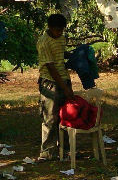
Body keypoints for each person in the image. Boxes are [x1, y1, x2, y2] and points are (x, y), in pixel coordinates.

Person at [37, 13, 73, 161]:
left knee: (66, 116)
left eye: (61, 30)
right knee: (51, 117)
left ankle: (65, 149)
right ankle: (47, 151)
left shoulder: (62, 38)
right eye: (57, 31)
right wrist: (65, 88)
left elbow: (60, 56)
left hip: (64, 79)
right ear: (50, 28)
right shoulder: (43, 42)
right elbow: (51, 67)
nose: (59, 33)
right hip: (50, 82)